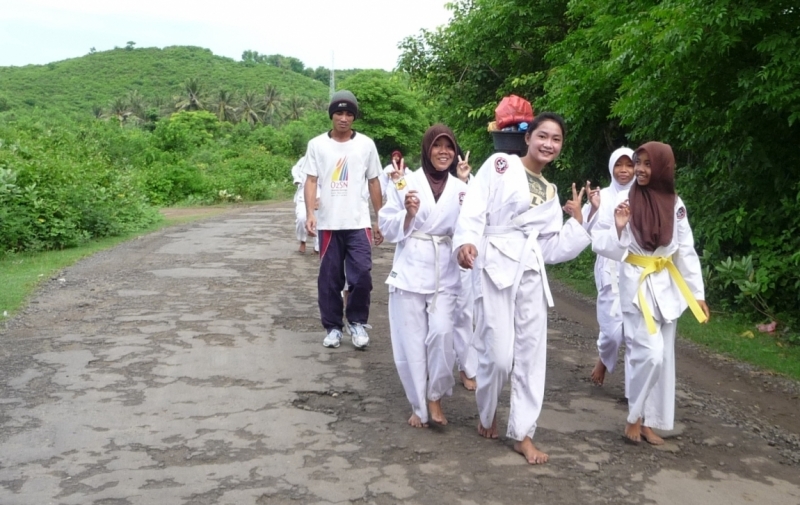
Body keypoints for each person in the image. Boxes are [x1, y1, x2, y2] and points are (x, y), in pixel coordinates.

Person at [453, 112, 599, 464]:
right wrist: (467, 241)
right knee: (500, 356)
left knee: (532, 354)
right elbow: (475, 205)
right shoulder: (500, 164)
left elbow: (548, 248)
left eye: (557, 139)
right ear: (528, 137)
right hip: (495, 264)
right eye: (543, 136)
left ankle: (523, 432)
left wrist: (578, 225)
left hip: (530, 270)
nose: (549, 144)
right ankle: (487, 413)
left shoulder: (550, 192)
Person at [592, 141, 709, 445]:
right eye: (637, 163)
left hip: (667, 289)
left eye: (646, 164)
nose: (640, 170)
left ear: (662, 167)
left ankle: (648, 421)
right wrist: (618, 228)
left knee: (663, 357)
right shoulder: (625, 199)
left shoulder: (675, 204)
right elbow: (601, 243)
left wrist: (697, 293)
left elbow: (685, 251)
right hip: (636, 286)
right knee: (650, 355)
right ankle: (634, 417)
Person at [379, 124, 469, 428]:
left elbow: (468, 227)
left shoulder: (461, 189)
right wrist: (408, 214)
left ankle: (435, 396)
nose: (443, 152)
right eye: (437, 146)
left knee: (443, 334)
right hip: (411, 268)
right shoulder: (406, 182)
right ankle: (419, 405)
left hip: (446, 268)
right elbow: (387, 225)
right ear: (427, 149)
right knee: (412, 341)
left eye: (449, 147)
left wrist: (465, 249)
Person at [303, 90, 384, 350]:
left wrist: (379, 218)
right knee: (330, 279)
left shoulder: (366, 145)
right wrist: (311, 213)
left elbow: (373, 181)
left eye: (349, 113)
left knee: (362, 275)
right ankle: (333, 328)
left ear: (354, 117)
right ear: (331, 115)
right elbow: (312, 180)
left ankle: (357, 322)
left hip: (358, 223)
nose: (344, 118)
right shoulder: (317, 145)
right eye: (339, 112)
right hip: (328, 223)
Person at [583, 148, 635, 388]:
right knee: (612, 329)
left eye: (629, 165)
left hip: (637, 266)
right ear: (611, 167)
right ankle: (604, 357)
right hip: (609, 268)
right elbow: (585, 229)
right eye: (619, 165)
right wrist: (593, 208)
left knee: (635, 331)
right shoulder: (600, 195)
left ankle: (634, 390)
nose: (624, 170)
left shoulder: (643, 195)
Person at [451, 149, 478, 390]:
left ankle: (466, 367)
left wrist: (463, 180)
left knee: (464, 313)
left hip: (463, 256)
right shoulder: (421, 180)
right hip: (432, 256)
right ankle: (431, 366)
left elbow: (476, 212)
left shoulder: (470, 184)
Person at [291, 156, 319, 254]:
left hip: (321, 195)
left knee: (319, 221)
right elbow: (295, 169)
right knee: (301, 218)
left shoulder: (328, 158)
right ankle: (302, 241)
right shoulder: (305, 160)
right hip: (303, 194)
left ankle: (317, 247)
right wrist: (297, 179)